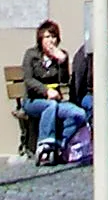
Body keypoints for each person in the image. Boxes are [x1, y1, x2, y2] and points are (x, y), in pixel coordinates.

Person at [19, 18, 87, 165]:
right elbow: (29, 80)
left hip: (55, 101)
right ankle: (44, 146)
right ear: (40, 39)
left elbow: (63, 81)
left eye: (53, 37)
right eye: (47, 37)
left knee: (79, 114)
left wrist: (62, 62)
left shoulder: (61, 55)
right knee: (50, 106)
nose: (51, 41)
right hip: (33, 101)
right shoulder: (31, 55)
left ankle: (59, 143)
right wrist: (46, 91)